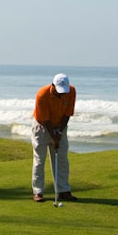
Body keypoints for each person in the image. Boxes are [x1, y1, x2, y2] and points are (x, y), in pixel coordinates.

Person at [31, 73, 78, 202]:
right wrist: (53, 137)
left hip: (60, 126)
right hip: (41, 127)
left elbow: (67, 114)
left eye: (64, 91)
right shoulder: (42, 94)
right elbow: (46, 120)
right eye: (59, 91)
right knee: (40, 159)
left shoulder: (71, 91)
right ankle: (38, 192)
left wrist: (59, 134)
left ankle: (63, 190)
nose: (62, 94)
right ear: (53, 85)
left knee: (61, 158)